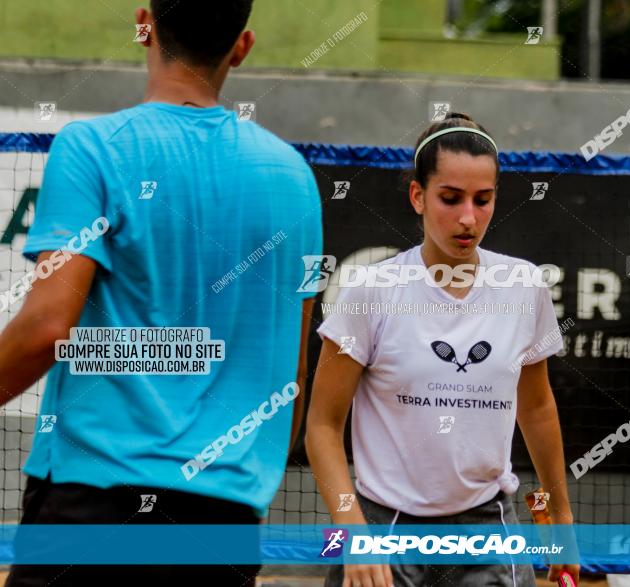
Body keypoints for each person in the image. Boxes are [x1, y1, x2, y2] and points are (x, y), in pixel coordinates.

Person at [0, 1, 322, 585]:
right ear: (242, 46)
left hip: (92, 507)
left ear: (143, 24)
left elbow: (48, 327)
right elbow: (291, 378)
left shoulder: (93, 147)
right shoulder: (295, 177)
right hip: (223, 519)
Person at [306, 112, 579, 586]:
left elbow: (537, 408)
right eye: (450, 199)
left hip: (489, 530)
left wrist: (562, 519)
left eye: (483, 199)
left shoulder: (523, 285)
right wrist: (352, 532)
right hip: (382, 528)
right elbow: (322, 426)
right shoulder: (372, 289)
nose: (468, 218)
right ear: (418, 196)